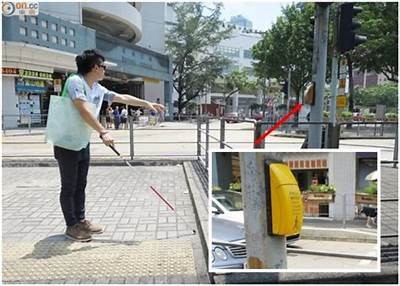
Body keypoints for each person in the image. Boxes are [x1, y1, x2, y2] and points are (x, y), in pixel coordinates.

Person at [53, 49, 164, 242]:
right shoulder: (75, 82)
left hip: (81, 141)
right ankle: (71, 226)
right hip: (66, 141)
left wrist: (147, 104)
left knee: (81, 184)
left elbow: (121, 97)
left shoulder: (96, 87)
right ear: (95, 67)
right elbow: (82, 109)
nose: (105, 70)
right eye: (103, 66)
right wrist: (103, 131)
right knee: (69, 186)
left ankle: (81, 220)